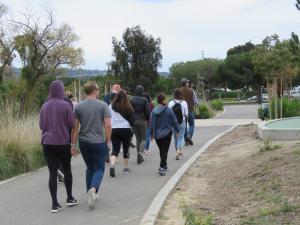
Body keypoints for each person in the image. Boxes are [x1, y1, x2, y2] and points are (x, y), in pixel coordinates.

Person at [71, 81, 112, 210]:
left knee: (89, 167)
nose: (99, 91)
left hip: (83, 141)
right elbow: (108, 124)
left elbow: (75, 127)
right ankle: (93, 189)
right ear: (94, 91)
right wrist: (108, 139)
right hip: (98, 141)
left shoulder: (78, 106)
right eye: (98, 89)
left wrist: (73, 144)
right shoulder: (103, 105)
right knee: (99, 168)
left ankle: (90, 192)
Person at [39, 80, 78, 213]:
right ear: (61, 91)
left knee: (52, 172)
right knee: (67, 169)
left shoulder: (44, 106)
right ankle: (69, 198)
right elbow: (72, 125)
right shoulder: (66, 105)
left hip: (47, 143)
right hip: (62, 142)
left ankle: (55, 204)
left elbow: (40, 126)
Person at [150, 94, 179, 176]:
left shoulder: (154, 111)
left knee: (162, 151)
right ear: (163, 101)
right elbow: (175, 121)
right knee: (164, 151)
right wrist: (177, 131)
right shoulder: (169, 110)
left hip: (157, 135)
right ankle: (161, 168)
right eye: (165, 99)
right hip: (167, 133)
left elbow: (151, 123)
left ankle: (164, 165)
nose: (166, 101)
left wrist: (151, 133)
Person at [109, 90, 135, 177]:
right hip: (125, 129)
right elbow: (132, 119)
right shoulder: (128, 106)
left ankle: (112, 164)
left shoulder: (110, 106)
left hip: (114, 129)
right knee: (126, 148)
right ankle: (126, 168)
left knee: (115, 149)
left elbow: (108, 118)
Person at [130, 85, 150, 164]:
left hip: (134, 121)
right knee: (144, 139)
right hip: (142, 120)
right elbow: (147, 111)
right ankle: (140, 153)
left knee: (138, 139)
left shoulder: (131, 99)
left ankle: (139, 156)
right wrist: (147, 118)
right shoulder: (144, 99)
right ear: (142, 91)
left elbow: (130, 111)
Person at [168, 88, 188, 160]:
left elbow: (168, 114)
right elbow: (186, 114)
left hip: (173, 123)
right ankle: (178, 151)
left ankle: (178, 151)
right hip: (182, 122)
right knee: (181, 137)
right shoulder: (184, 103)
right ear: (180, 95)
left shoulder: (171, 103)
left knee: (176, 138)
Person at [180, 78, 198, 146]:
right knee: (191, 125)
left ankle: (186, 140)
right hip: (190, 110)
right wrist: (196, 107)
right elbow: (195, 101)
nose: (188, 83)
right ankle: (189, 136)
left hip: (182, 112)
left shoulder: (179, 91)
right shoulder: (191, 90)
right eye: (187, 82)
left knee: (184, 126)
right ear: (186, 83)